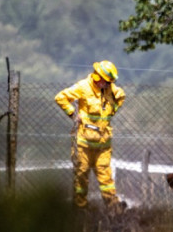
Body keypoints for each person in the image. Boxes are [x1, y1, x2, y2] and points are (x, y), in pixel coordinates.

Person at [54, 60, 126, 209]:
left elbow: (121, 96)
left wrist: (112, 111)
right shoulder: (83, 87)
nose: (108, 85)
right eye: (106, 82)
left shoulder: (111, 90)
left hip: (103, 145)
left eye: (110, 83)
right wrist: (73, 114)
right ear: (98, 77)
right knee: (81, 177)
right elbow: (60, 97)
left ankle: (113, 207)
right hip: (83, 144)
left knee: (106, 178)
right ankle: (81, 209)